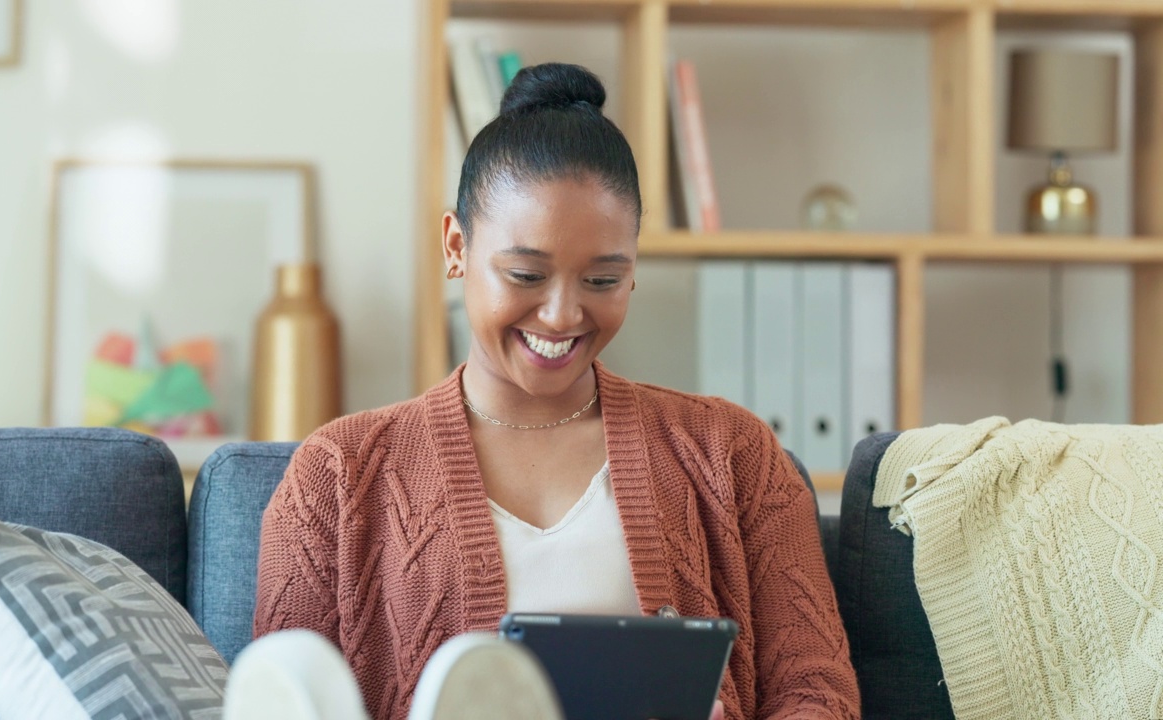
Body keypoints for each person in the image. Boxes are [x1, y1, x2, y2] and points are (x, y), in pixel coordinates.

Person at [253, 62, 860, 720]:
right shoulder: (336, 475)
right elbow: (284, 693)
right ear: (456, 246)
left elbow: (818, 693)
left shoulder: (732, 452)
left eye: (602, 281)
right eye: (525, 274)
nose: (562, 316)